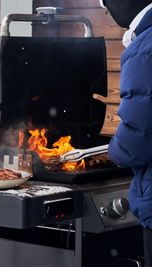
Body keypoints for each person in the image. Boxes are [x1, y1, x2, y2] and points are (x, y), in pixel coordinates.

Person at [100, 0, 152, 266]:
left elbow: (137, 138)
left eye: (105, 2)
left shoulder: (144, 49)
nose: (106, 10)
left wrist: (112, 150)